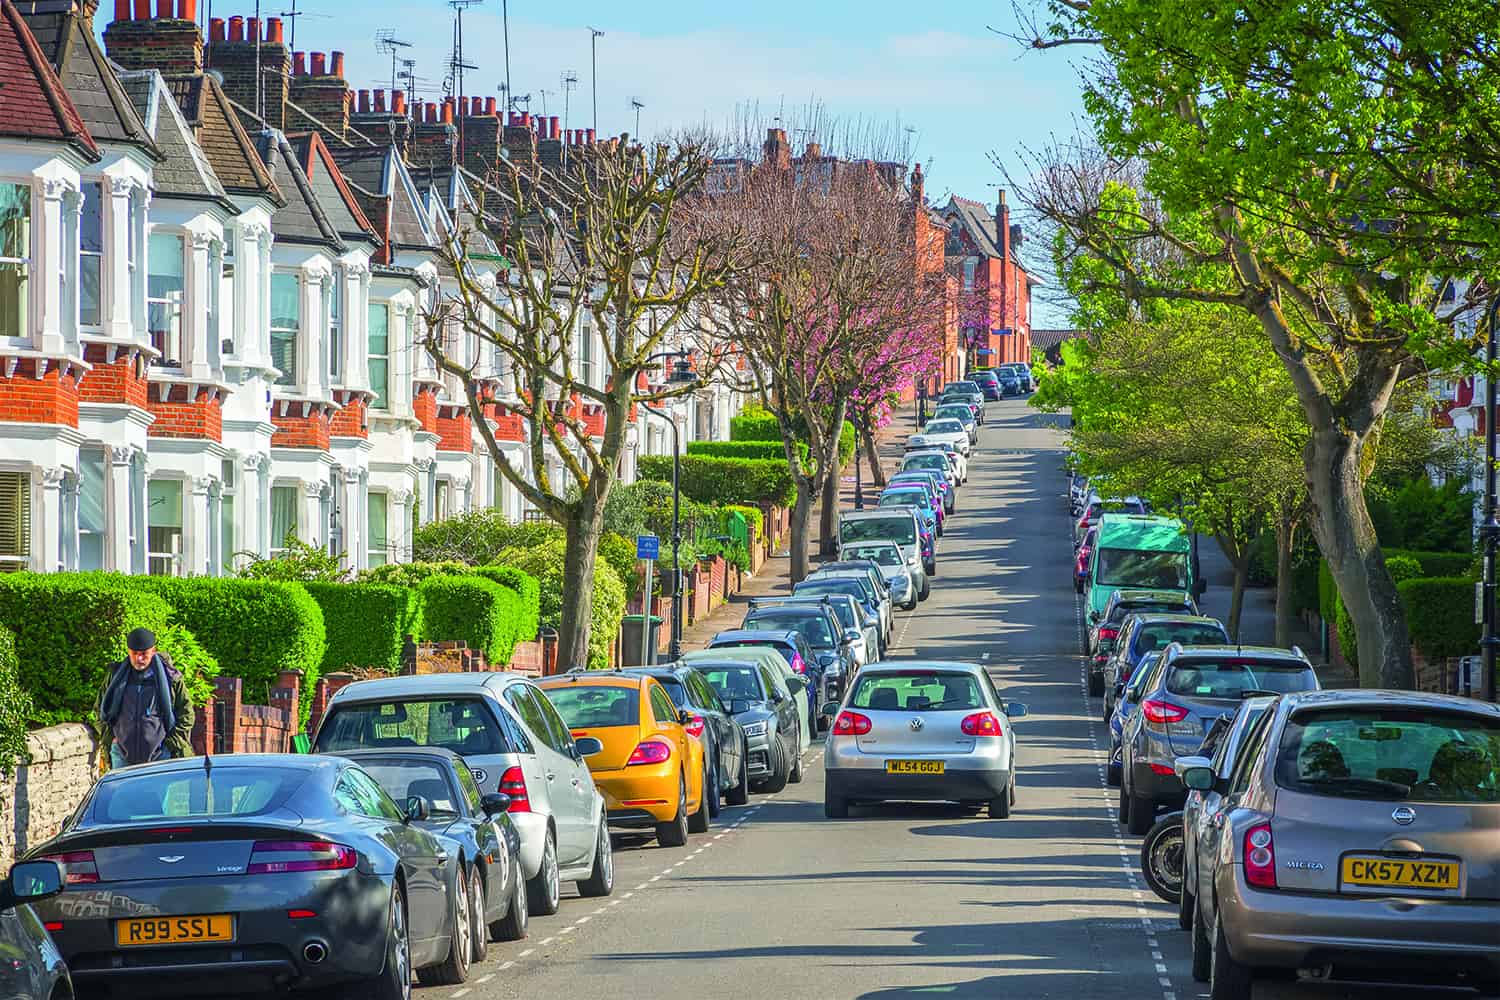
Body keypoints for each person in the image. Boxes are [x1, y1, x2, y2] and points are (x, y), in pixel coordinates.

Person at [96, 628, 193, 768]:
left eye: (144, 654)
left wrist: (170, 742)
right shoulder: (115, 676)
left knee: (155, 791)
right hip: (121, 754)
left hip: (160, 754)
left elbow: (186, 714)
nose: (138, 659)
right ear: (128, 651)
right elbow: (100, 709)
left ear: (153, 651)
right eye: (134, 653)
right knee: (123, 790)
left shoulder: (171, 678)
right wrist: (111, 739)